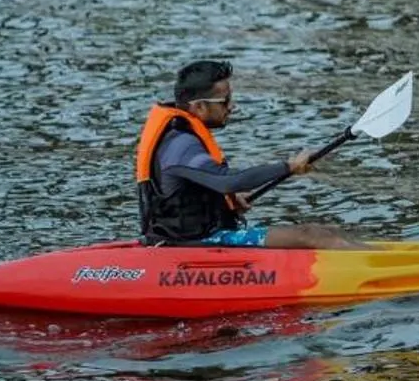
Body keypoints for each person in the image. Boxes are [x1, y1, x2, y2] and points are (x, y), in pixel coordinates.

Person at [134, 59, 363, 249]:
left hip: (206, 235)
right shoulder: (181, 145)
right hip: (192, 244)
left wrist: (225, 203)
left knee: (328, 231)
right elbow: (229, 181)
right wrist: (289, 167)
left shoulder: (185, 136)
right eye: (224, 101)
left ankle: (377, 261)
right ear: (199, 106)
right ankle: (377, 277)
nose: (231, 106)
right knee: (312, 236)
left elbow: (206, 184)